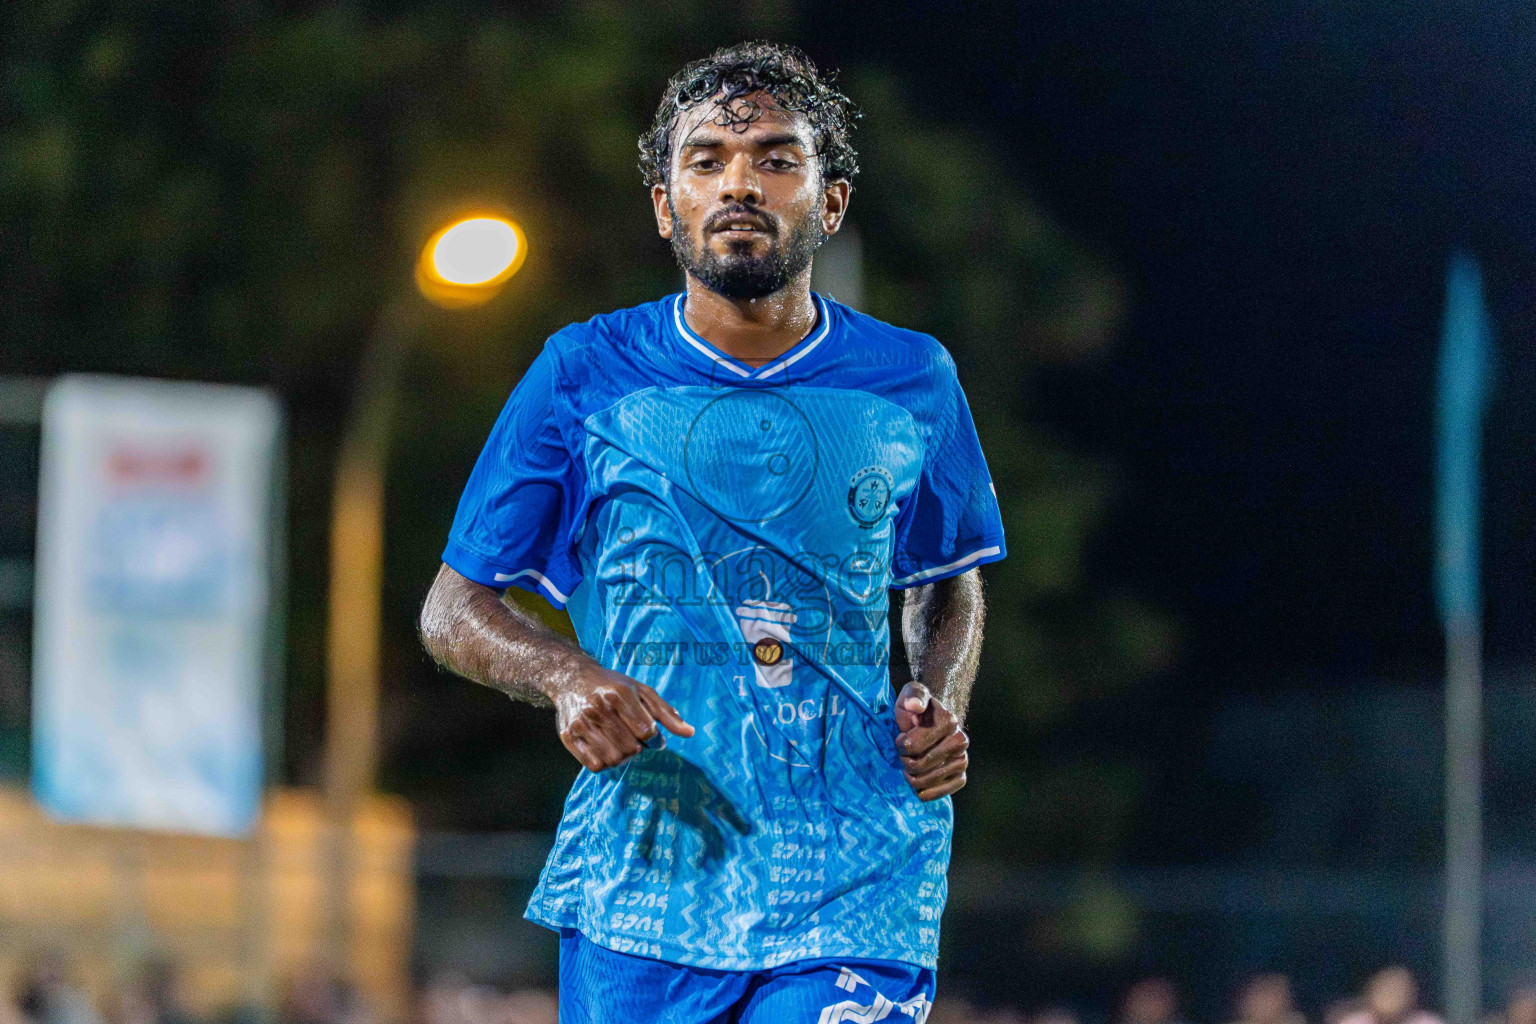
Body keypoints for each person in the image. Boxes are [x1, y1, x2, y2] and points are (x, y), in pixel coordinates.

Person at [419, 40, 1006, 1024]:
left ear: (831, 203)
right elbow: (451, 609)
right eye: (706, 160)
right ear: (664, 205)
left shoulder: (914, 381)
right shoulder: (581, 375)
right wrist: (568, 676)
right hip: (648, 876)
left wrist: (935, 698)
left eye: (777, 158)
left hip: (856, 870)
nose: (741, 182)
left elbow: (947, 579)